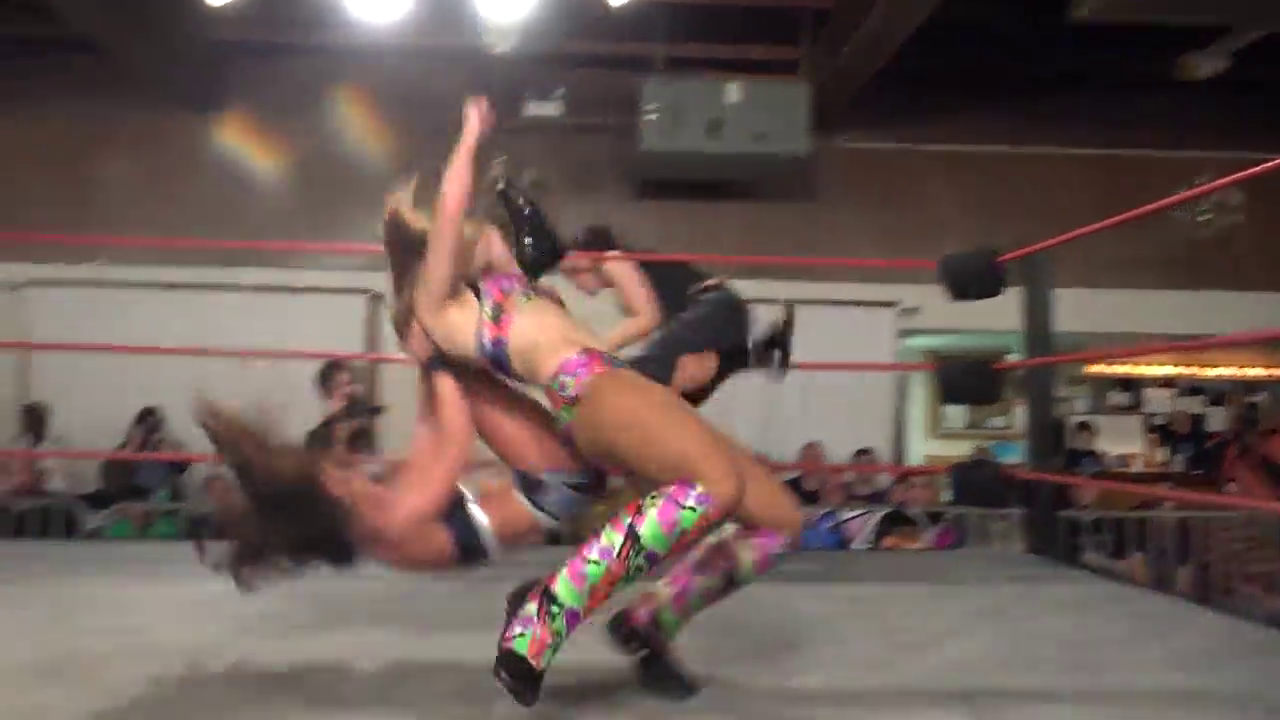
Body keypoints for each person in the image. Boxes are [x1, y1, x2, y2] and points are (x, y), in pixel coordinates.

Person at [380, 96, 803, 706]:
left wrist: (510, 204)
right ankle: (543, 615)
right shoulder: (436, 306)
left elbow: (498, 239)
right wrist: (470, 135)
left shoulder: (501, 283)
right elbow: (451, 212)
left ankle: (652, 620)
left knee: (780, 522)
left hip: (623, 384)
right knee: (712, 486)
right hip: (588, 391)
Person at [197, 361, 607, 591]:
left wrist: (429, 369)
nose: (342, 471)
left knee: (457, 365)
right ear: (332, 494)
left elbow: (427, 441)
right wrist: (438, 364)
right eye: (332, 473)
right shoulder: (392, 521)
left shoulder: (368, 520)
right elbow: (453, 440)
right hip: (559, 486)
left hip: (539, 486)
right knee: (463, 371)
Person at [557, 223, 793, 406]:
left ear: (587, 256)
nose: (573, 281)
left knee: (642, 373)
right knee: (683, 392)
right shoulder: (630, 274)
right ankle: (757, 352)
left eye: (572, 271)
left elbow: (648, 318)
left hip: (714, 309)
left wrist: (591, 354)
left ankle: (576, 391)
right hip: (721, 314)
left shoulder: (612, 259)